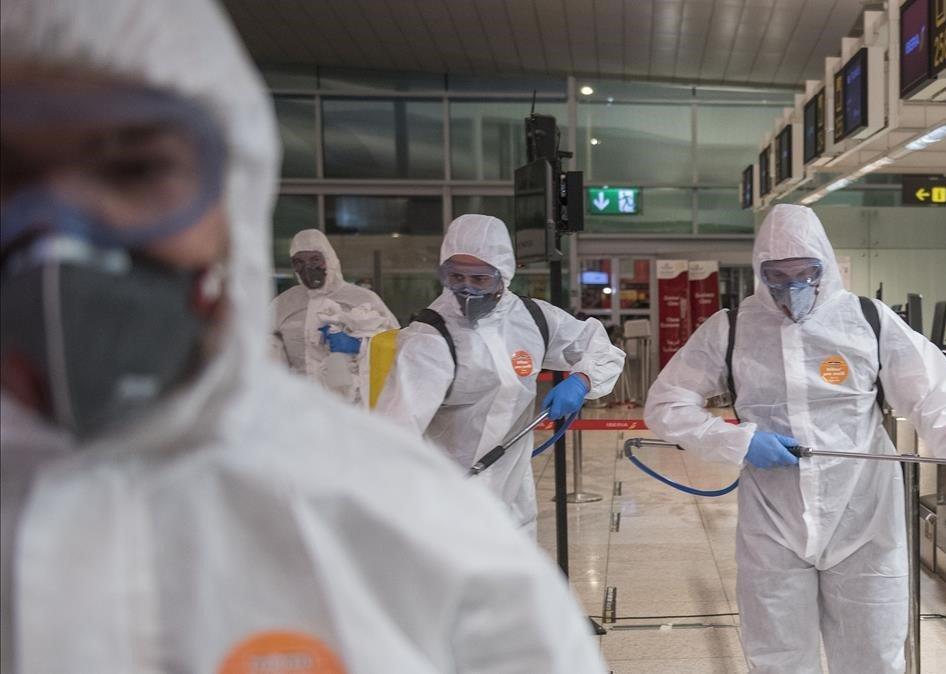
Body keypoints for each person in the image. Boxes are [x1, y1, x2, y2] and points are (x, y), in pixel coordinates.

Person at [0, 1, 606, 672]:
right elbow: (395, 423)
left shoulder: (368, 513)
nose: (61, 239)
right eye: (6, 174)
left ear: (233, 191)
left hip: (474, 492)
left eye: (134, 171)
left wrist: (579, 378)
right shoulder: (421, 357)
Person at [644, 204, 946, 674]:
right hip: (773, 520)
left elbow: (931, 396)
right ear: (760, 272)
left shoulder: (867, 320)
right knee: (778, 657)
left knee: (873, 656)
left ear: (827, 266)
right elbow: (666, 406)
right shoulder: (732, 328)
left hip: (864, 518)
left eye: (805, 273)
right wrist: (738, 441)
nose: (792, 288)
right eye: (778, 276)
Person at [376, 214, 625, 536]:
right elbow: (394, 434)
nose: (466, 289)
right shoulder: (429, 342)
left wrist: (583, 379)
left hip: (513, 500)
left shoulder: (533, 319)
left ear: (504, 274)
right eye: (456, 276)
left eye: (479, 279)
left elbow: (599, 348)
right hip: (450, 502)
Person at [270, 229, 398, 404]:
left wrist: (360, 344)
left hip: (350, 405)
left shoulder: (362, 299)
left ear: (329, 259)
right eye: (299, 261)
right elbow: (263, 348)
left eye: (315, 259)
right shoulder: (284, 304)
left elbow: (395, 344)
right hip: (298, 406)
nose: (308, 267)